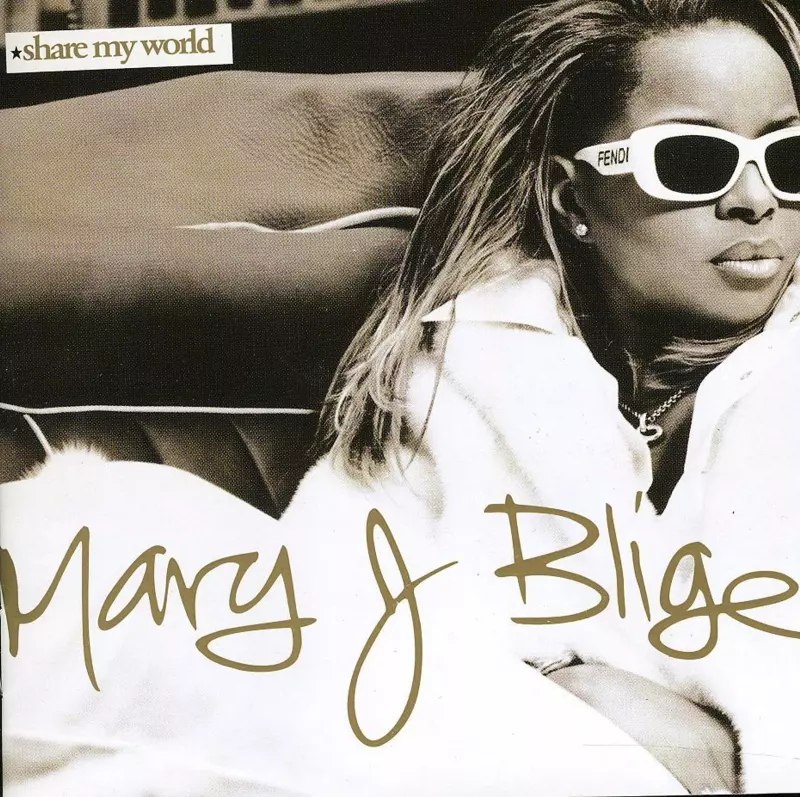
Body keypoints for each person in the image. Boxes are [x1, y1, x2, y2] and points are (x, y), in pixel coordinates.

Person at [4, 0, 800, 794]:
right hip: (465, 743)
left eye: (787, 158)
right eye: (695, 159)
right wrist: (561, 675)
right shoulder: (477, 361)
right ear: (573, 200)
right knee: (89, 531)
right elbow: (336, 611)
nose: (756, 200)